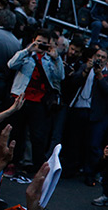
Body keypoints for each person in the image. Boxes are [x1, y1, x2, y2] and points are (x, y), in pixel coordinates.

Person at [7, 29, 65, 176]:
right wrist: (28, 50)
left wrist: (56, 58)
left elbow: (60, 76)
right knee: (15, 133)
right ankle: (11, 163)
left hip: (39, 102)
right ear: (34, 40)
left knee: (37, 136)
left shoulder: (49, 59)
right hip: (20, 98)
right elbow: (11, 64)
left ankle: (36, 167)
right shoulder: (26, 54)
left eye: (44, 44)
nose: (41, 46)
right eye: (39, 42)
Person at [64, 47, 108, 186]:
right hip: (79, 108)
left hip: (96, 113)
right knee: (74, 141)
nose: (99, 59)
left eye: (103, 57)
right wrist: (86, 70)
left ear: (106, 60)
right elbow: (73, 82)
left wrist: (99, 75)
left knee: (93, 144)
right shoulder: (84, 67)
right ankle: (71, 168)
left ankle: (90, 173)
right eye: (98, 56)